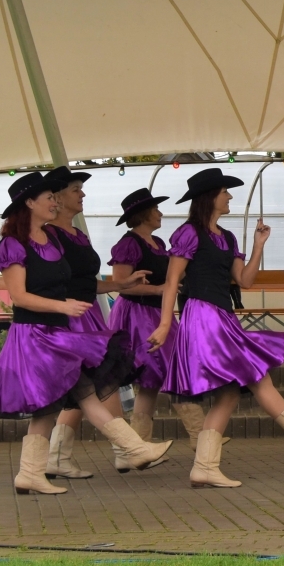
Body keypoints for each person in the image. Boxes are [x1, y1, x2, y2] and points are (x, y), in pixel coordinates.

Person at [148, 168, 284, 488]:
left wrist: (258, 245)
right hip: (201, 316)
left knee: (228, 395)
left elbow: (245, 280)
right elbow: (172, 282)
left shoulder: (226, 237)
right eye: (225, 191)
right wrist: (165, 323)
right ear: (210, 196)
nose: (229, 197)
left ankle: (205, 466)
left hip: (221, 315)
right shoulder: (188, 233)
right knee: (255, 373)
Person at [0, 172, 171, 495]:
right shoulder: (13, 244)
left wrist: (121, 285)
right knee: (78, 394)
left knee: (58, 404)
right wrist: (63, 307)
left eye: (56, 197)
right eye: (49, 197)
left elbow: (81, 283)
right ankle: (133, 448)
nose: (55, 201)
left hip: (57, 331)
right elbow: (19, 297)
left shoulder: (52, 239)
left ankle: (32, 472)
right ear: (29, 203)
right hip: (33, 335)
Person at [42, 166, 148, 479]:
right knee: (97, 382)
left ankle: (59, 457)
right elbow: (53, 282)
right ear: (59, 198)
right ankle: (125, 449)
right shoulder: (50, 236)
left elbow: (87, 283)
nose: (83, 194)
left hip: (88, 313)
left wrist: (122, 285)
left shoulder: (77, 234)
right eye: (76, 189)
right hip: (67, 317)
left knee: (88, 386)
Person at [106, 188, 208, 447]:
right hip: (137, 315)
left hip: (155, 313)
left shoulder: (159, 244)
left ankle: (138, 444)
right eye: (156, 209)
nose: (160, 213)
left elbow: (171, 277)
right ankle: (200, 435)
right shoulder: (128, 244)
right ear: (143, 215)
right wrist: (159, 289)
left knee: (150, 381)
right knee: (171, 367)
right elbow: (120, 283)